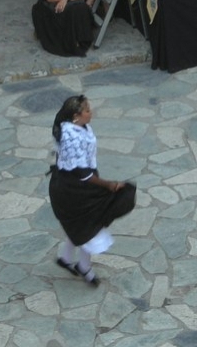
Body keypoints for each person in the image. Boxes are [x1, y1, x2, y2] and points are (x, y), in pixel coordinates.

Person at [49, 95, 136, 286]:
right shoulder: (71, 138)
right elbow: (84, 175)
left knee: (79, 226)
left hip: (72, 187)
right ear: (75, 116)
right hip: (74, 192)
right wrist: (110, 185)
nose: (91, 113)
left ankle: (65, 258)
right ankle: (84, 267)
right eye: (87, 110)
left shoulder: (76, 127)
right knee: (89, 228)